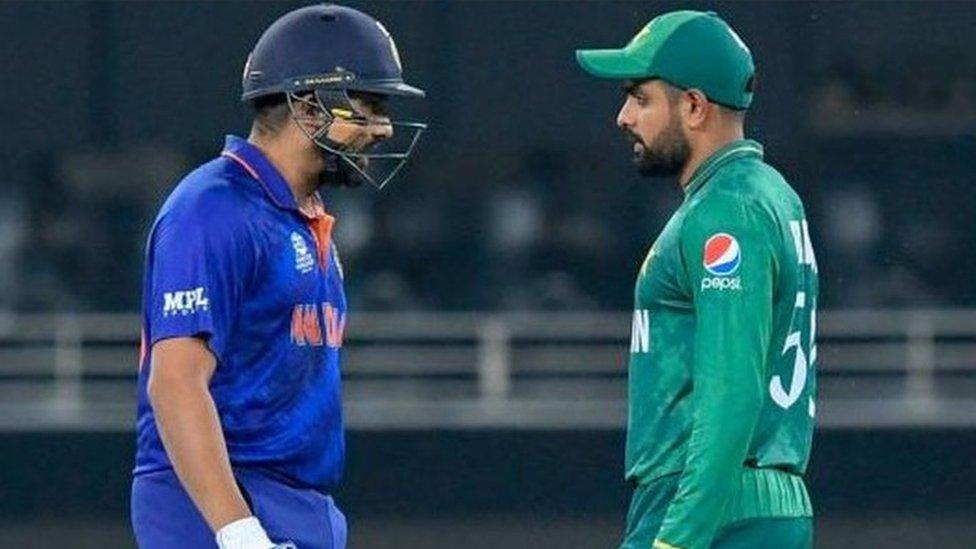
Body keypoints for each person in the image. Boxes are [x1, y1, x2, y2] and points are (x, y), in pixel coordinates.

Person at [130, 4, 425, 548]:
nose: (383, 128)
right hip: (217, 504)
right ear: (311, 107)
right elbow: (175, 382)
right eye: (369, 105)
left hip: (298, 503)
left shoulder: (301, 215)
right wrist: (239, 532)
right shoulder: (212, 208)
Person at [576, 10, 818, 549]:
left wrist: (678, 538)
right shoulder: (771, 195)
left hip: (707, 504)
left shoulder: (725, 213)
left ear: (693, 106)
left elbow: (732, 389)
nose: (623, 117)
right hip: (758, 498)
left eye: (640, 99)